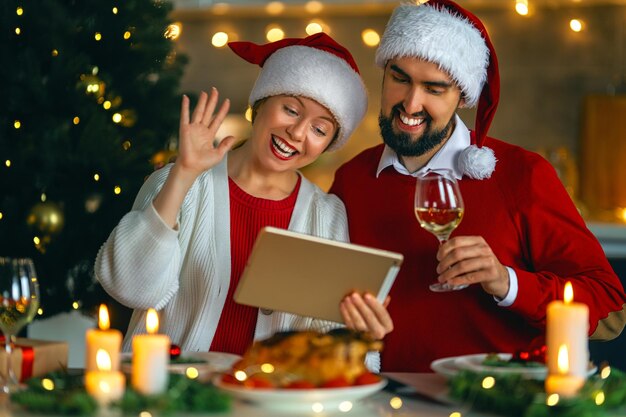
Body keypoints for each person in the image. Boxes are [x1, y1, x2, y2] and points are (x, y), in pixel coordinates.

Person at [330, 0, 626, 372]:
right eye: (400, 78)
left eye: (434, 89)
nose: (411, 103)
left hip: (494, 402)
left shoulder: (522, 174)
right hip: (382, 400)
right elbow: (321, 306)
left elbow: (612, 311)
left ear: (462, 97)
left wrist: (507, 282)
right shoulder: (352, 178)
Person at [95, 33, 393, 371]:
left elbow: (332, 346)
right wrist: (184, 173)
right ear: (260, 105)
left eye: (319, 130)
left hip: (268, 401)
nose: (297, 133)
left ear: (327, 146)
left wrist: (359, 334)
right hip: (170, 394)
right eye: (291, 109)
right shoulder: (179, 181)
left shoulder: (326, 214)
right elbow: (131, 289)